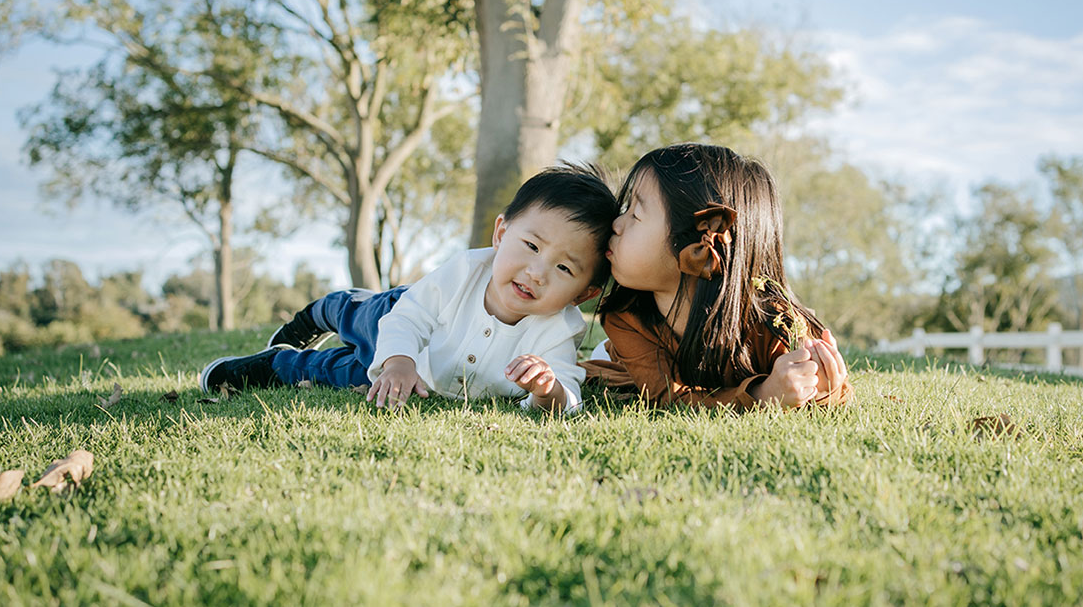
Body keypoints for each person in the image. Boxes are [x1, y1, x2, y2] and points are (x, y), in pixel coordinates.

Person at [200, 164, 618, 413]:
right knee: (356, 315)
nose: (537, 272)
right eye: (530, 246)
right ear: (500, 233)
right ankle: (320, 312)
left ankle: (274, 366)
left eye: (564, 267)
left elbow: (567, 393)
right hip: (401, 321)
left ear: (583, 293)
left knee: (334, 373)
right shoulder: (464, 271)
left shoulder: (558, 331)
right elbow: (410, 319)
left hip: (416, 378)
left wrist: (547, 392)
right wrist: (398, 360)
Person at [581, 143, 854, 409]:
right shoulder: (625, 316)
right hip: (623, 365)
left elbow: (825, 390)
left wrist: (820, 382)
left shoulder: (774, 324)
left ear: (697, 247)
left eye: (635, 214)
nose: (616, 224)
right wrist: (763, 394)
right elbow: (669, 397)